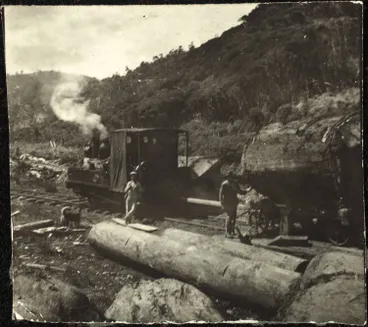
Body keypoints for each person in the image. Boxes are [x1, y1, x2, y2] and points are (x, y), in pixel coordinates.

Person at [219, 172, 248, 238]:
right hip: (227, 203)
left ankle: (232, 231)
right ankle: (227, 232)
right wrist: (222, 204)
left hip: (234, 203)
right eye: (230, 177)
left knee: (233, 218)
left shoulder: (235, 183)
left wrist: (246, 191)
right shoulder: (224, 184)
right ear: (228, 177)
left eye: (232, 176)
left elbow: (239, 191)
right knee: (229, 217)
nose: (231, 178)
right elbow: (220, 195)